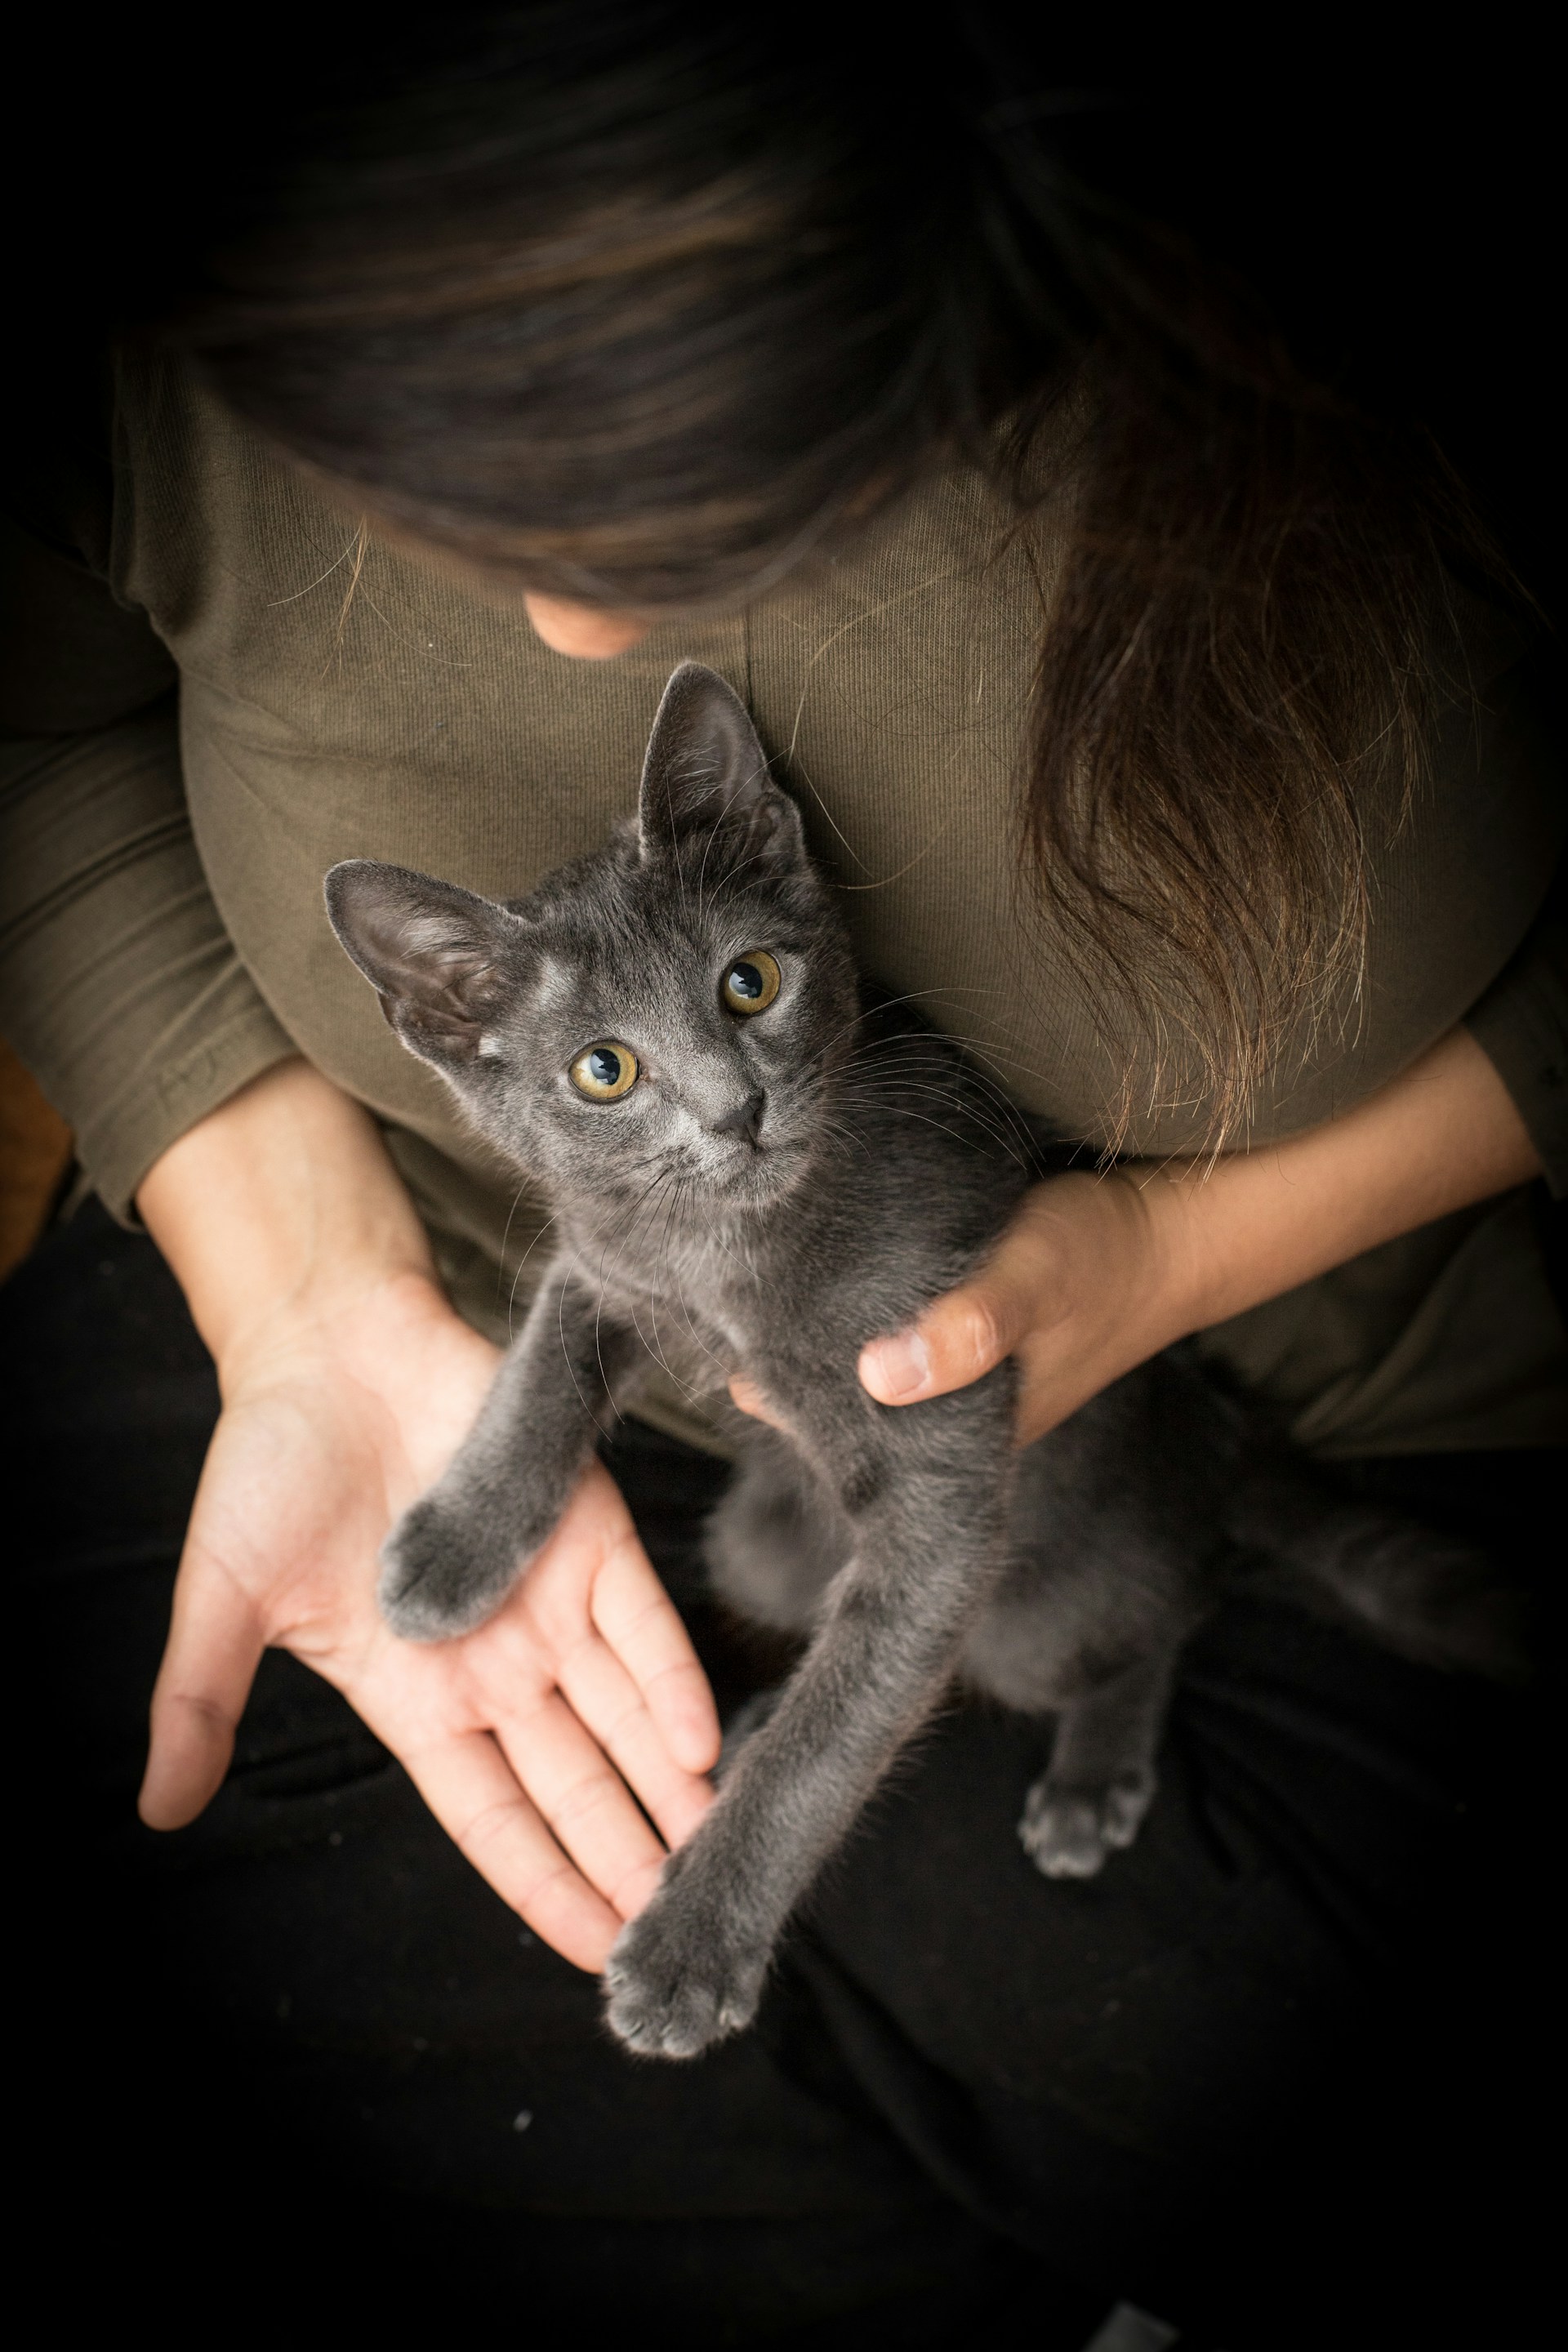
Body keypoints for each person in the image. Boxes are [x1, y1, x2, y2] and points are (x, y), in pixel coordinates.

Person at [2, 13, 1561, 2343]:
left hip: (1235, 1404)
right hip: (388, 1313)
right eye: (441, 486)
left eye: (671, 492)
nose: (568, 621)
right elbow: (36, 733)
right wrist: (296, 1284)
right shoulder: (183, 297)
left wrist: (1164, 1255)